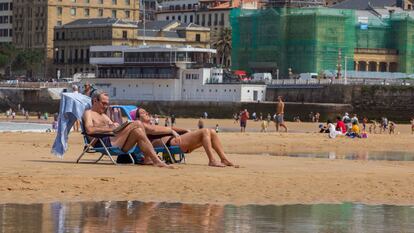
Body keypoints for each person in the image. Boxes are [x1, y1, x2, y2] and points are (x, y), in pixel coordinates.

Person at [83, 90, 172, 168]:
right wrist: (110, 129)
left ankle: (149, 159)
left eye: (107, 104)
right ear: (95, 101)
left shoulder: (104, 116)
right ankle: (154, 160)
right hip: (104, 143)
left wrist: (116, 125)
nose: (106, 106)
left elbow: (113, 127)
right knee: (137, 123)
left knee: (138, 131)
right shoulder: (89, 113)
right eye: (104, 103)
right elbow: (89, 130)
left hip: (116, 142)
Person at [135, 108, 236, 167]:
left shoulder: (151, 125)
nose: (147, 113)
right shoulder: (141, 125)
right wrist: (173, 132)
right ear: (138, 118)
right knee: (205, 131)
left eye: (146, 112)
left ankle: (224, 159)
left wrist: (185, 131)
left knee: (212, 132)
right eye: (143, 113)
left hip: (176, 141)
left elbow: (169, 128)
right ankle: (212, 160)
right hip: (171, 142)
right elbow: (158, 130)